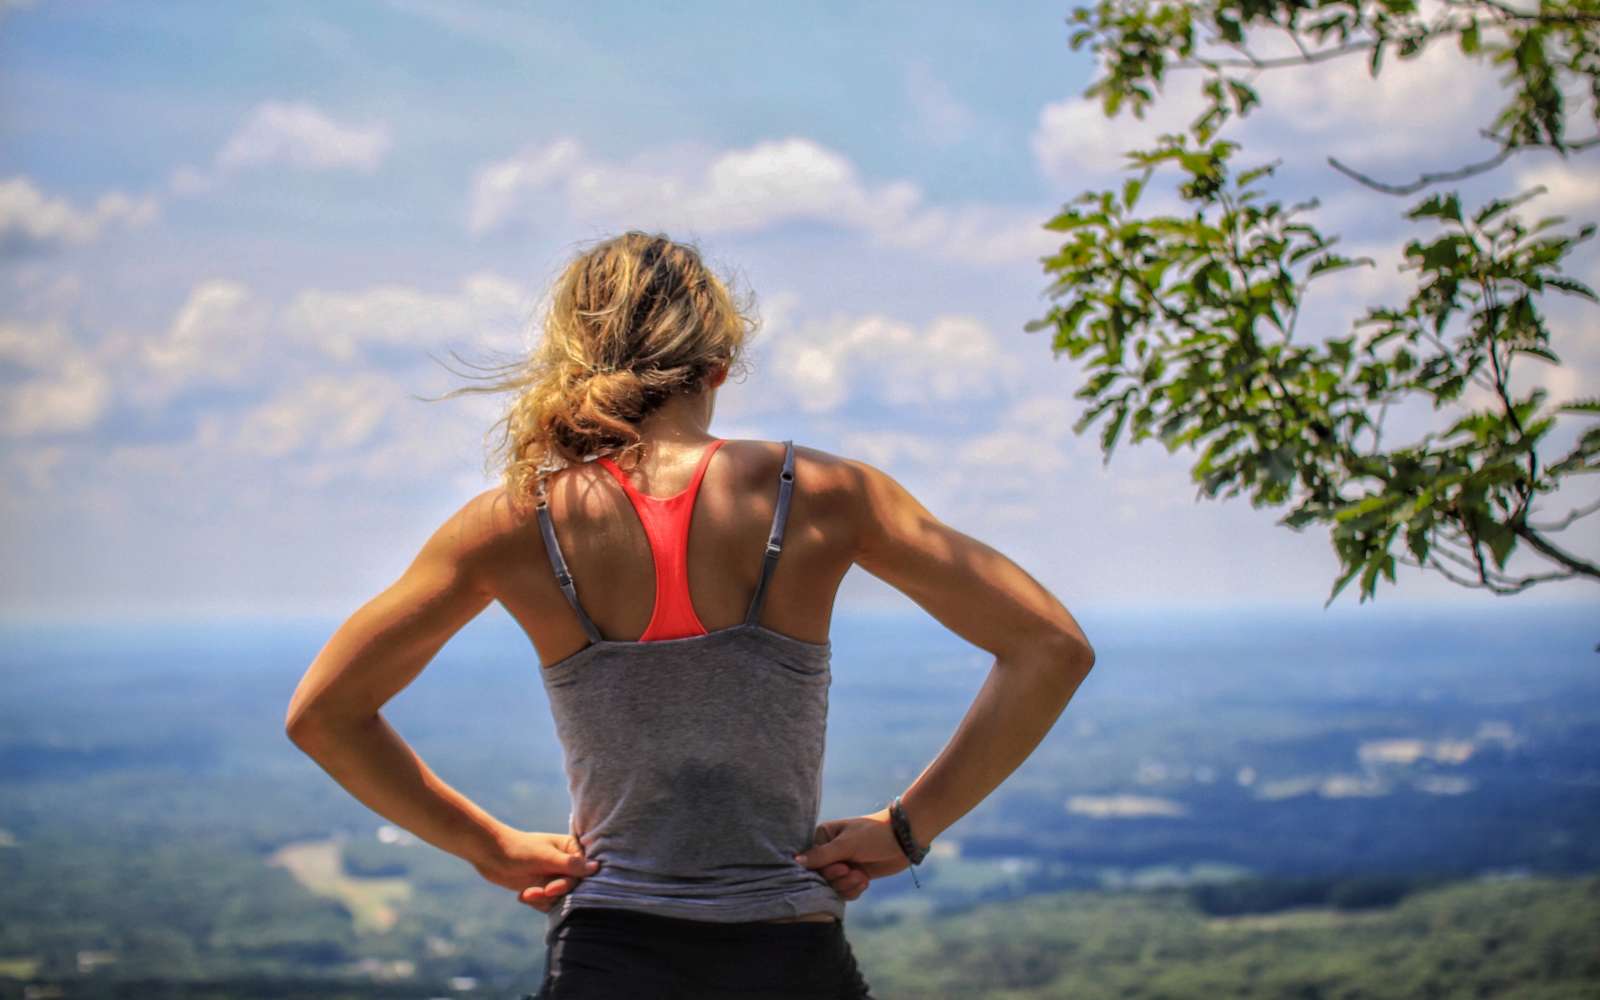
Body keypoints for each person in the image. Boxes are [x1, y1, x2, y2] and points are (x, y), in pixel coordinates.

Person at [285, 231, 1096, 999]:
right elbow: (1049, 647)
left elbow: (325, 714)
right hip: (789, 955)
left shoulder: (512, 524)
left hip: (607, 956)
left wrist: (487, 847)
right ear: (718, 363)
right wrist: (907, 829)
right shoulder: (819, 496)